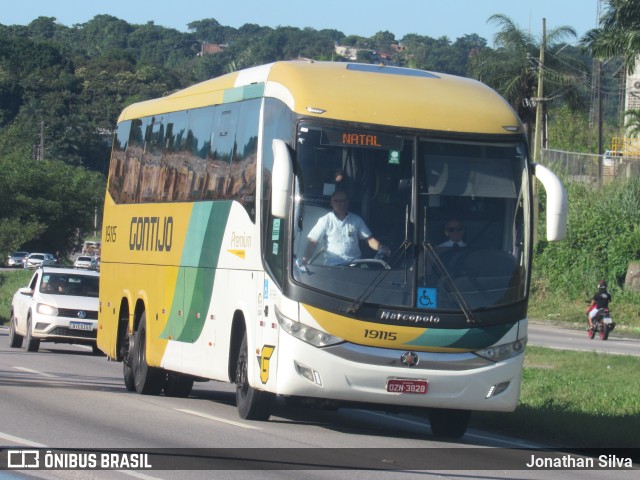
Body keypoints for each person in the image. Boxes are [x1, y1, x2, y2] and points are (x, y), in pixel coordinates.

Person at [301, 190, 390, 266]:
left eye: (344, 201)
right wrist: (304, 262)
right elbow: (313, 243)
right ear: (332, 203)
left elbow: (369, 239)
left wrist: (381, 247)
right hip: (333, 266)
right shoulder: (325, 220)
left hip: (355, 265)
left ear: (348, 202)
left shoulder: (357, 220)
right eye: (338, 201)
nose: (342, 204)